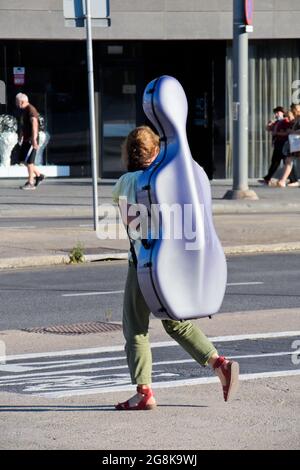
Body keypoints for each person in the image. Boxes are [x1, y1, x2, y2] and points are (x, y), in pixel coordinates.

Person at [112, 125, 239, 411]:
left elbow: (134, 227)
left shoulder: (125, 183)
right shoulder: (168, 179)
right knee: (175, 320)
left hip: (144, 263)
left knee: (135, 327)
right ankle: (219, 362)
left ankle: (144, 392)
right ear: (155, 150)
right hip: (173, 262)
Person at [259, 106, 298, 186]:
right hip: (279, 143)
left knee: (284, 162)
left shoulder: (286, 121)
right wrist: (270, 124)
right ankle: (291, 180)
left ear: (283, 113)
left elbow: (287, 132)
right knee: (281, 162)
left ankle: (292, 180)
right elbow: (269, 129)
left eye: (278, 112)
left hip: (283, 143)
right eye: (275, 113)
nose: (276, 114)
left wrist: (276, 133)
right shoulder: (278, 121)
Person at [15, 93, 45, 190]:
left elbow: (35, 125)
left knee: (29, 161)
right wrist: (21, 135)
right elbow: (24, 125)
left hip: (31, 139)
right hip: (26, 139)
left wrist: (34, 140)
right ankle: (39, 175)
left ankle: (30, 182)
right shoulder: (24, 110)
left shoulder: (31, 110)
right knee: (23, 160)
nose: (16, 103)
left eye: (17, 101)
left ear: (22, 101)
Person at [277, 103, 300, 188]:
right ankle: (283, 180)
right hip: (296, 143)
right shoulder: (297, 119)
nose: (295, 111)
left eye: (296, 109)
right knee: (288, 160)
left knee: (289, 160)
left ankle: (283, 180)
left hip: (297, 142)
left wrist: (292, 132)